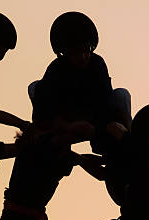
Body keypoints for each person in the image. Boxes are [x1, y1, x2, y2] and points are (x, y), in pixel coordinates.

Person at [32, 11, 131, 150]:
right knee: (35, 87)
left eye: (86, 50)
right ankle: (44, 137)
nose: (83, 56)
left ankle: (128, 142)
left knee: (122, 94)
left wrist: (100, 126)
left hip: (95, 116)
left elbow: (105, 100)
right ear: (65, 53)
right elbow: (46, 101)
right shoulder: (55, 69)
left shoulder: (97, 64)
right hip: (65, 118)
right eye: (76, 53)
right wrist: (63, 124)